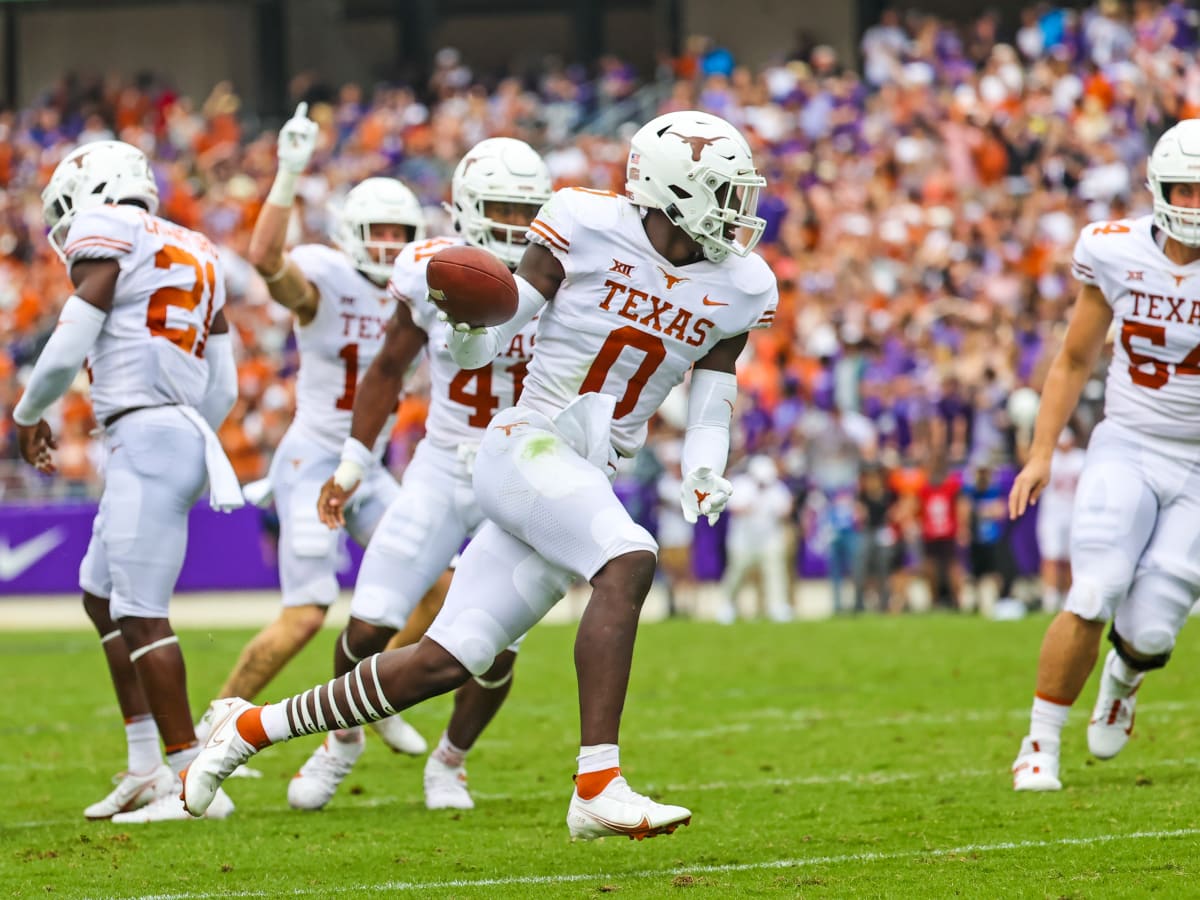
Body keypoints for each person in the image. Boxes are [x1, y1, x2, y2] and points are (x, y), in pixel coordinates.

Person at [183, 109, 778, 842]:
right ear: (671, 188)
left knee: (445, 660)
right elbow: (498, 331)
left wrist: (705, 466)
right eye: (723, 192)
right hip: (524, 446)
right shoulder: (585, 224)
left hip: (583, 471)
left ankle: (247, 727)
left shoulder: (744, 284)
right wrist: (465, 330)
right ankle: (598, 781)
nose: (738, 212)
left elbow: (715, 395)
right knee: (628, 559)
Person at [284, 136, 553, 813]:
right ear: (465, 206)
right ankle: (340, 739)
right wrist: (353, 464)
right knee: (370, 622)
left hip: (518, 474)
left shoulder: (565, 275)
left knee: (497, 645)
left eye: (527, 210)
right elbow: (385, 370)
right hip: (440, 465)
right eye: (501, 208)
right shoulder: (429, 269)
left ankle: (450, 763)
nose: (518, 226)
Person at [16, 140, 241, 821]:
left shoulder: (106, 226)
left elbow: (74, 331)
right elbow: (225, 388)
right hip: (171, 430)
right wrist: (183, 433)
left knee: (141, 611)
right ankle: (146, 764)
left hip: (147, 431)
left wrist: (29, 411)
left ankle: (189, 779)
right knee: (99, 596)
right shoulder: (199, 246)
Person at [196, 104, 429, 757]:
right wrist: (290, 169)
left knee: (439, 585)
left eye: (398, 231)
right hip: (312, 462)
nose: (386, 244)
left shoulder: (417, 289)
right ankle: (212, 728)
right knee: (306, 614)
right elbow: (266, 256)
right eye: (375, 231)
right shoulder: (324, 280)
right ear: (350, 233)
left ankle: (372, 692)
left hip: (371, 466)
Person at [1010, 120, 1200, 792]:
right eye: (1188, 188)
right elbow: (1074, 358)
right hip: (1129, 440)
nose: (1197, 203)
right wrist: (1039, 455)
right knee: (1093, 589)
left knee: (1149, 634)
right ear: (1160, 187)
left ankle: (1124, 677)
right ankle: (1038, 744)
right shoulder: (1115, 249)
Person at [715, 454, 795, 623]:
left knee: (775, 572)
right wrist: (748, 507)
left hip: (769, 538)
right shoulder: (739, 486)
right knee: (736, 573)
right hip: (743, 540)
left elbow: (786, 509)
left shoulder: (777, 488)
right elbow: (734, 509)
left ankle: (777, 607)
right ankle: (727, 605)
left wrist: (783, 511)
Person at [1035, 428, 1086, 612]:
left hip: (1074, 515)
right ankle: (1050, 597)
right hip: (1052, 516)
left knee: (1070, 559)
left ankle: (1068, 597)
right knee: (1051, 557)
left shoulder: (1081, 459)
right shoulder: (1050, 460)